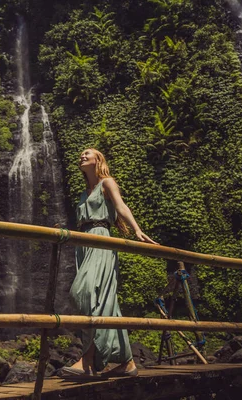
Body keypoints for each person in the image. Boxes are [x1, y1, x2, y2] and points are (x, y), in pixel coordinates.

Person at [62, 148, 157, 379]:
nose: (81, 156)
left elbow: (121, 206)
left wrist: (137, 230)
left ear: (98, 160)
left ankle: (89, 360)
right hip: (83, 244)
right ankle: (127, 362)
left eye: (87, 153)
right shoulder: (85, 193)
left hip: (101, 240)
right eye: (81, 154)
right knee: (106, 302)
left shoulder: (107, 183)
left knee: (84, 292)